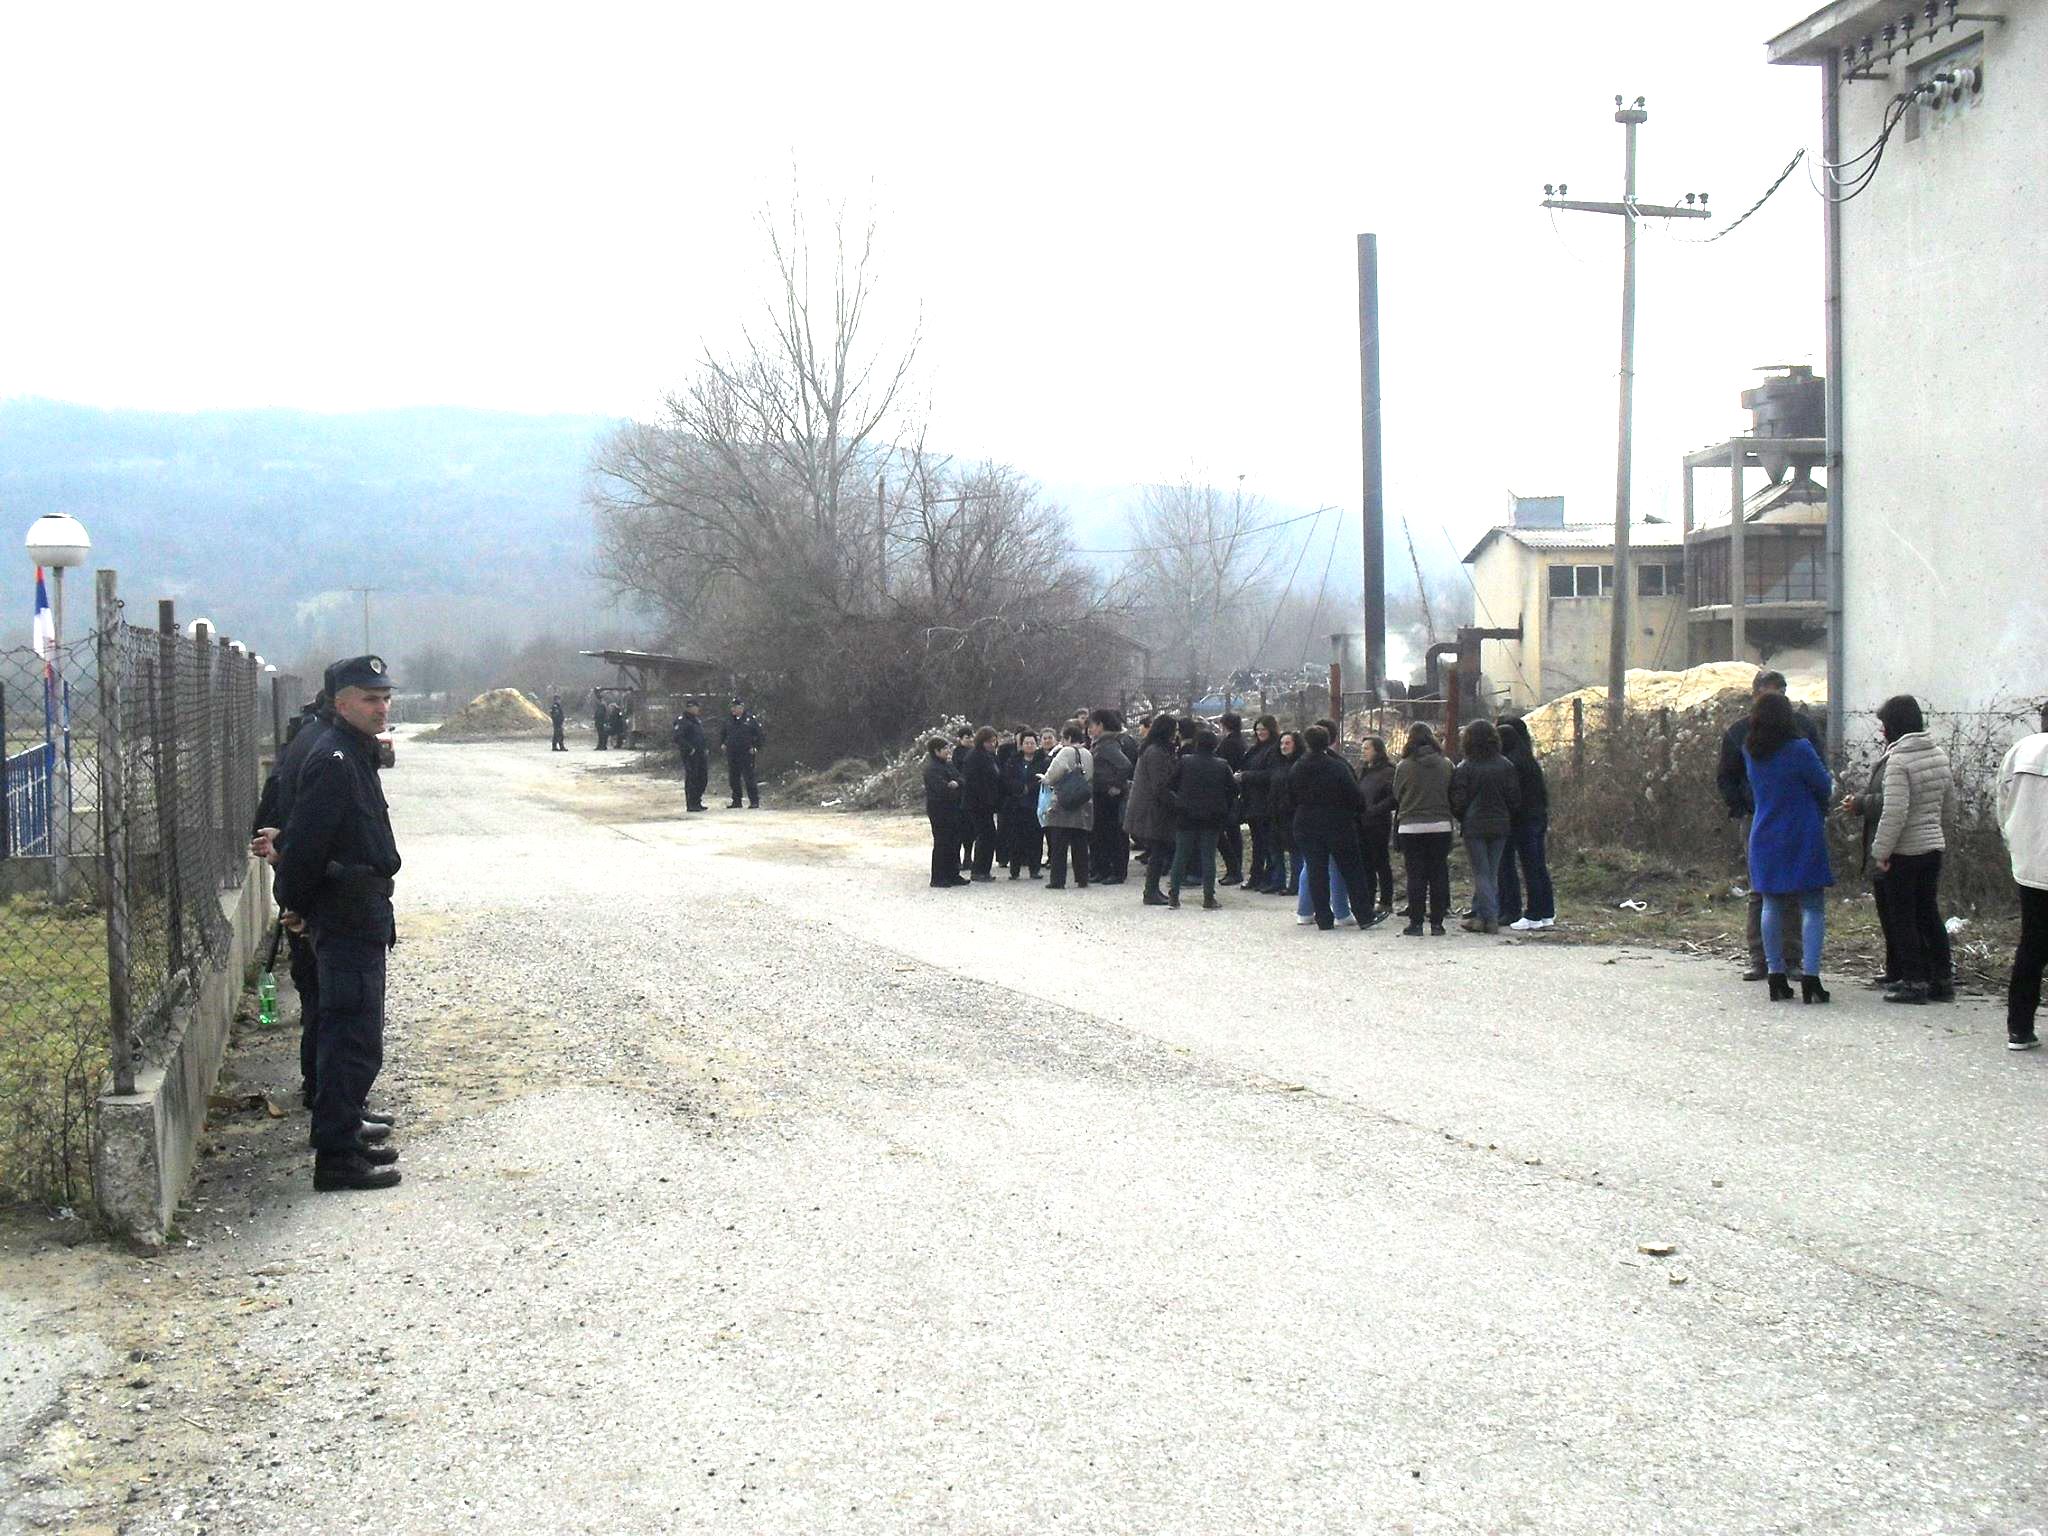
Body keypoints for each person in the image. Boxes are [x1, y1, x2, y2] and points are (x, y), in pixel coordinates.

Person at [272, 656, 403, 1193]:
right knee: (351, 1034)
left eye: (385, 697)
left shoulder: (350, 750)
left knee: (350, 1030)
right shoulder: (333, 757)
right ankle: (338, 1156)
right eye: (370, 698)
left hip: (359, 907)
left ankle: (344, 1130)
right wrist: (296, 903)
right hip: (345, 910)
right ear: (341, 702)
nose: (382, 707)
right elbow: (305, 845)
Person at [251, 679, 337, 1112]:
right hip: (309, 889)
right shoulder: (323, 749)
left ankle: (320, 1088)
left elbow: (263, 822)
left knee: (315, 996)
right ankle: (324, 1093)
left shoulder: (300, 745)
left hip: (296, 884)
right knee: (326, 998)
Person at [1718, 669, 1825, 979]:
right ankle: (1760, 958)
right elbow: (1726, 775)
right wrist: (1741, 806)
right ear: (1755, 695)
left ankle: (1790, 959)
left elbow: (1820, 767)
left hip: (1794, 817)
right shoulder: (1740, 733)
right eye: (1769, 693)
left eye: (1780, 692)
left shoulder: (1803, 729)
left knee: (1788, 893)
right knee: (1762, 891)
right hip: (1759, 816)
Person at [1743, 691, 1836, 1004]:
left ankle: (1775, 974)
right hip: (1802, 830)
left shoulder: (1751, 751)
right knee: (1812, 905)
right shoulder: (1799, 749)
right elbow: (1823, 785)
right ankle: (1811, 976)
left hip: (1765, 831)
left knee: (1770, 903)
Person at [1867, 695, 1955, 1005]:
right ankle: (1942, 979)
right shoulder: (1938, 755)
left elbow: (1895, 812)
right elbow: (1949, 805)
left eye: (1884, 725)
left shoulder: (1898, 761)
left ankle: (1914, 981)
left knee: (1902, 917)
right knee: (1928, 912)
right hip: (1932, 847)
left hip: (1904, 851)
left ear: (1894, 726)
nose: (1882, 731)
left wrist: (1881, 852)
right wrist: (1938, 832)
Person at [1288, 726, 1378, 931]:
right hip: (1337, 823)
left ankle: (1323, 918)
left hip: (1306, 823)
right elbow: (1355, 796)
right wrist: (1355, 810)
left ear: (1307, 742)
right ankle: (1364, 915)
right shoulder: (1337, 767)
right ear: (1328, 742)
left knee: (1316, 871)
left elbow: (1290, 796)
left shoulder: (1297, 767)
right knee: (1352, 870)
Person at [1997, 702, 2048, 1050]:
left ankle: (2019, 1026)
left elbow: (2002, 802)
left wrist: (2013, 842)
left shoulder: (2021, 750)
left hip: (2030, 864)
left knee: (2032, 943)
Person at [1450, 719, 1520, 934]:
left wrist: (1464, 817)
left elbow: (1458, 800)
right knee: (1492, 872)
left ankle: (1489, 918)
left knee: (1481, 872)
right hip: (1500, 824)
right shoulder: (1506, 765)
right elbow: (1514, 798)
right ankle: (1481, 917)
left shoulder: (1465, 767)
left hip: (1474, 825)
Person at [1393, 722, 1455, 936]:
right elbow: (1452, 791)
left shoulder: (1404, 766)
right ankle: (1437, 923)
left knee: (1415, 875)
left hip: (1411, 825)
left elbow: (1397, 794)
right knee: (1438, 873)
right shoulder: (1446, 764)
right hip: (1441, 824)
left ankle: (1416, 923)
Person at [1494, 716, 1555, 932]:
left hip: (1521, 820)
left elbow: (1512, 796)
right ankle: (1546, 912)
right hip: (1537, 817)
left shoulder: (1511, 763)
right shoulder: (1528, 760)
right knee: (1538, 865)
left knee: (1528, 867)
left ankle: (1533, 914)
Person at [1166, 730, 1235, 910]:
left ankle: (1174, 895)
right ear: (1215, 746)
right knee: (1208, 856)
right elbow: (1234, 789)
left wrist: (1179, 800)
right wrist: (1223, 803)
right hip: (1212, 816)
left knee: (1181, 855)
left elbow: (1170, 784)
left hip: (1186, 814)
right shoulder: (1222, 765)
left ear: (1196, 744)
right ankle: (1208, 897)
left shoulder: (1185, 761)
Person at [1125, 714, 1180, 907]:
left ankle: (1152, 889)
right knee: (1158, 850)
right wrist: (1177, 802)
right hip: (1153, 808)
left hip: (1150, 805)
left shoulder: (1152, 749)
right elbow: (1160, 785)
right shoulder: (1157, 752)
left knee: (1158, 849)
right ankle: (1151, 890)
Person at [1040, 724, 1095, 890]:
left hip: (1064, 802)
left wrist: (1045, 779)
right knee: (1080, 842)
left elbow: (1054, 773)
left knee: (1059, 843)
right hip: (1083, 802)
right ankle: (1082, 877)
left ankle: (1058, 880)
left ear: (1069, 738)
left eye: (1063, 738)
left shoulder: (1065, 752)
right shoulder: (1088, 754)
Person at [1237, 716, 1284, 894]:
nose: (1260, 732)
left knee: (1268, 842)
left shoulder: (1274, 750)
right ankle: (1256, 875)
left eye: (1263, 729)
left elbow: (1271, 774)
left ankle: (1270, 876)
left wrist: (1246, 776)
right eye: (1257, 729)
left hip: (1265, 802)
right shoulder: (1255, 749)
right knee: (1258, 842)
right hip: (1252, 801)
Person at [1086, 709, 1132, 885]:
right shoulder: (1100, 743)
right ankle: (1102, 869)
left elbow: (1125, 765)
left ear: (1101, 725)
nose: (1090, 729)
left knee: (1112, 833)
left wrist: (1116, 785)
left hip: (1108, 794)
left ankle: (1117, 871)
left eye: (1092, 725)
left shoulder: (1108, 744)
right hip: (1099, 791)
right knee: (1100, 833)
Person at [1356, 734, 1397, 919]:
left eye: (1367, 748)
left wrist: (1375, 810)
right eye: (1363, 748)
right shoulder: (1364, 770)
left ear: (1377, 750)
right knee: (1366, 864)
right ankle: (1368, 899)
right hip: (1362, 822)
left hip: (1378, 823)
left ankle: (1386, 900)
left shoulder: (1388, 771)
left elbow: (1393, 798)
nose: (1363, 751)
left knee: (1380, 862)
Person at [922, 739, 968, 888]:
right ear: (936, 751)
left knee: (955, 841)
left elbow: (961, 778)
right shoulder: (931, 769)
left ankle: (953, 874)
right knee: (942, 842)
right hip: (939, 810)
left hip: (954, 808)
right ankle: (938, 877)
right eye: (945, 748)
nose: (948, 751)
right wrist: (952, 786)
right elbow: (941, 789)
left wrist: (957, 783)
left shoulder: (948, 764)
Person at [1000, 730, 1046, 879]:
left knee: (1035, 838)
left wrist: (1029, 787)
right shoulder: (1013, 761)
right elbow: (1006, 779)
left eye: (1032, 743)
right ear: (1021, 745)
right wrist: (1019, 788)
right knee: (1015, 838)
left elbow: (1044, 779)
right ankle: (1015, 871)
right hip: (1016, 805)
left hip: (1035, 804)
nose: (1029, 745)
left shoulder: (1043, 761)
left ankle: (1034, 869)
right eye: (1026, 743)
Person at [962, 726, 1003, 881]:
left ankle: (983, 869)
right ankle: (979, 870)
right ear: (981, 741)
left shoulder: (989, 756)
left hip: (987, 803)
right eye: (989, 741)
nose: (992, 744)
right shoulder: (975, 757)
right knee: (985, 835)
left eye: (994, 741)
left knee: (988, 835)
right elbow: (974, 782)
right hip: (977, 803)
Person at [1214, 712, 1248, 885]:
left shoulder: (1229, 743)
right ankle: (1235, 867)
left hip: (1226, 792)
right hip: (1233, 791)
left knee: (1224, 832)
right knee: (1233, 832)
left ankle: (1233, 868)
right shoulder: (1240, 741)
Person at [721, 699, 763, 808]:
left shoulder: (750, 720)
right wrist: (723, 743)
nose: (733, 709)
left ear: (741, 708)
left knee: (749, 777)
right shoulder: (729, 720)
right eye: (732, 707)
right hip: (732, 753)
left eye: (735, 707)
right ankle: (736, 801)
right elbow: (723, 733)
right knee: (734, 778)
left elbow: (759, 735)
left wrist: (756, 747)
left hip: (746, 752)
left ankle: (754, 801)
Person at [672, 701, 710, 812]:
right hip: (690, 754)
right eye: (695, 707)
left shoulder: (696, 720)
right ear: (689, 708)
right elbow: (678, 737)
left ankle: (697, 801)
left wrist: (705, 748)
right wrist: (690, 748)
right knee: (692, 778)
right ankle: (691, 803)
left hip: (700, 753)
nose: (697, 709)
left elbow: (701, 736)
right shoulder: (682, 720)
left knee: (702, 778)